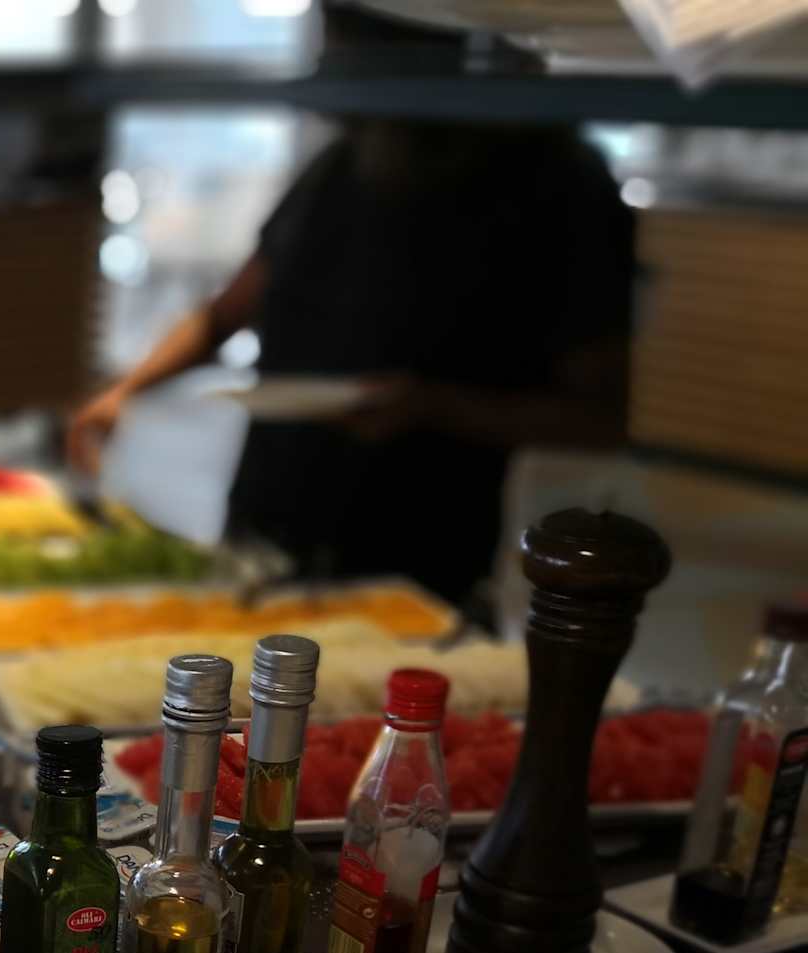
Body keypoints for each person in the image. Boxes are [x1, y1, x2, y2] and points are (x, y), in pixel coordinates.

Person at [72, 122, 635, 606]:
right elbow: (222, 314)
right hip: (263, 531)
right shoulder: (341, 161)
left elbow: (599, 419)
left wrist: (431, 405)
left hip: (417, 560)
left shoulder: (562, 182)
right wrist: (125, 391)